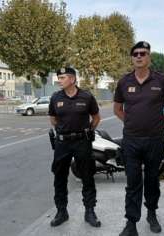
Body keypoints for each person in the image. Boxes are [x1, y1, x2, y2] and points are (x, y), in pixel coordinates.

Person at [114, 41, 164, 236]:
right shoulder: (124, 82)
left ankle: (151, 213)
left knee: (152, 180)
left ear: (149, 57)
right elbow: (117, 108)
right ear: (132, 58)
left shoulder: (162, 81)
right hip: (131, 141)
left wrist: (162, 123)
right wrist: (131, 121)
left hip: (154, 140)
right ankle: (131, 223)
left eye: (143, 53)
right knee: (133, 182)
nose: (139, 56)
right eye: (136, 54)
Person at [48, 67, 101, 227]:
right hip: (62, 143)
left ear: (72, 79)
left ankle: (90, 212)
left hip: (82, 142)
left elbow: (96, 118)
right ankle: (61, 212)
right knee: (59, 177)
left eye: (62, 77)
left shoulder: (86, 96)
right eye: (59, 77)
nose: (59, 80)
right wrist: (64, 132)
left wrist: (87, 132)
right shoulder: (56, 97)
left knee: (87, 176)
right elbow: (53, 118)